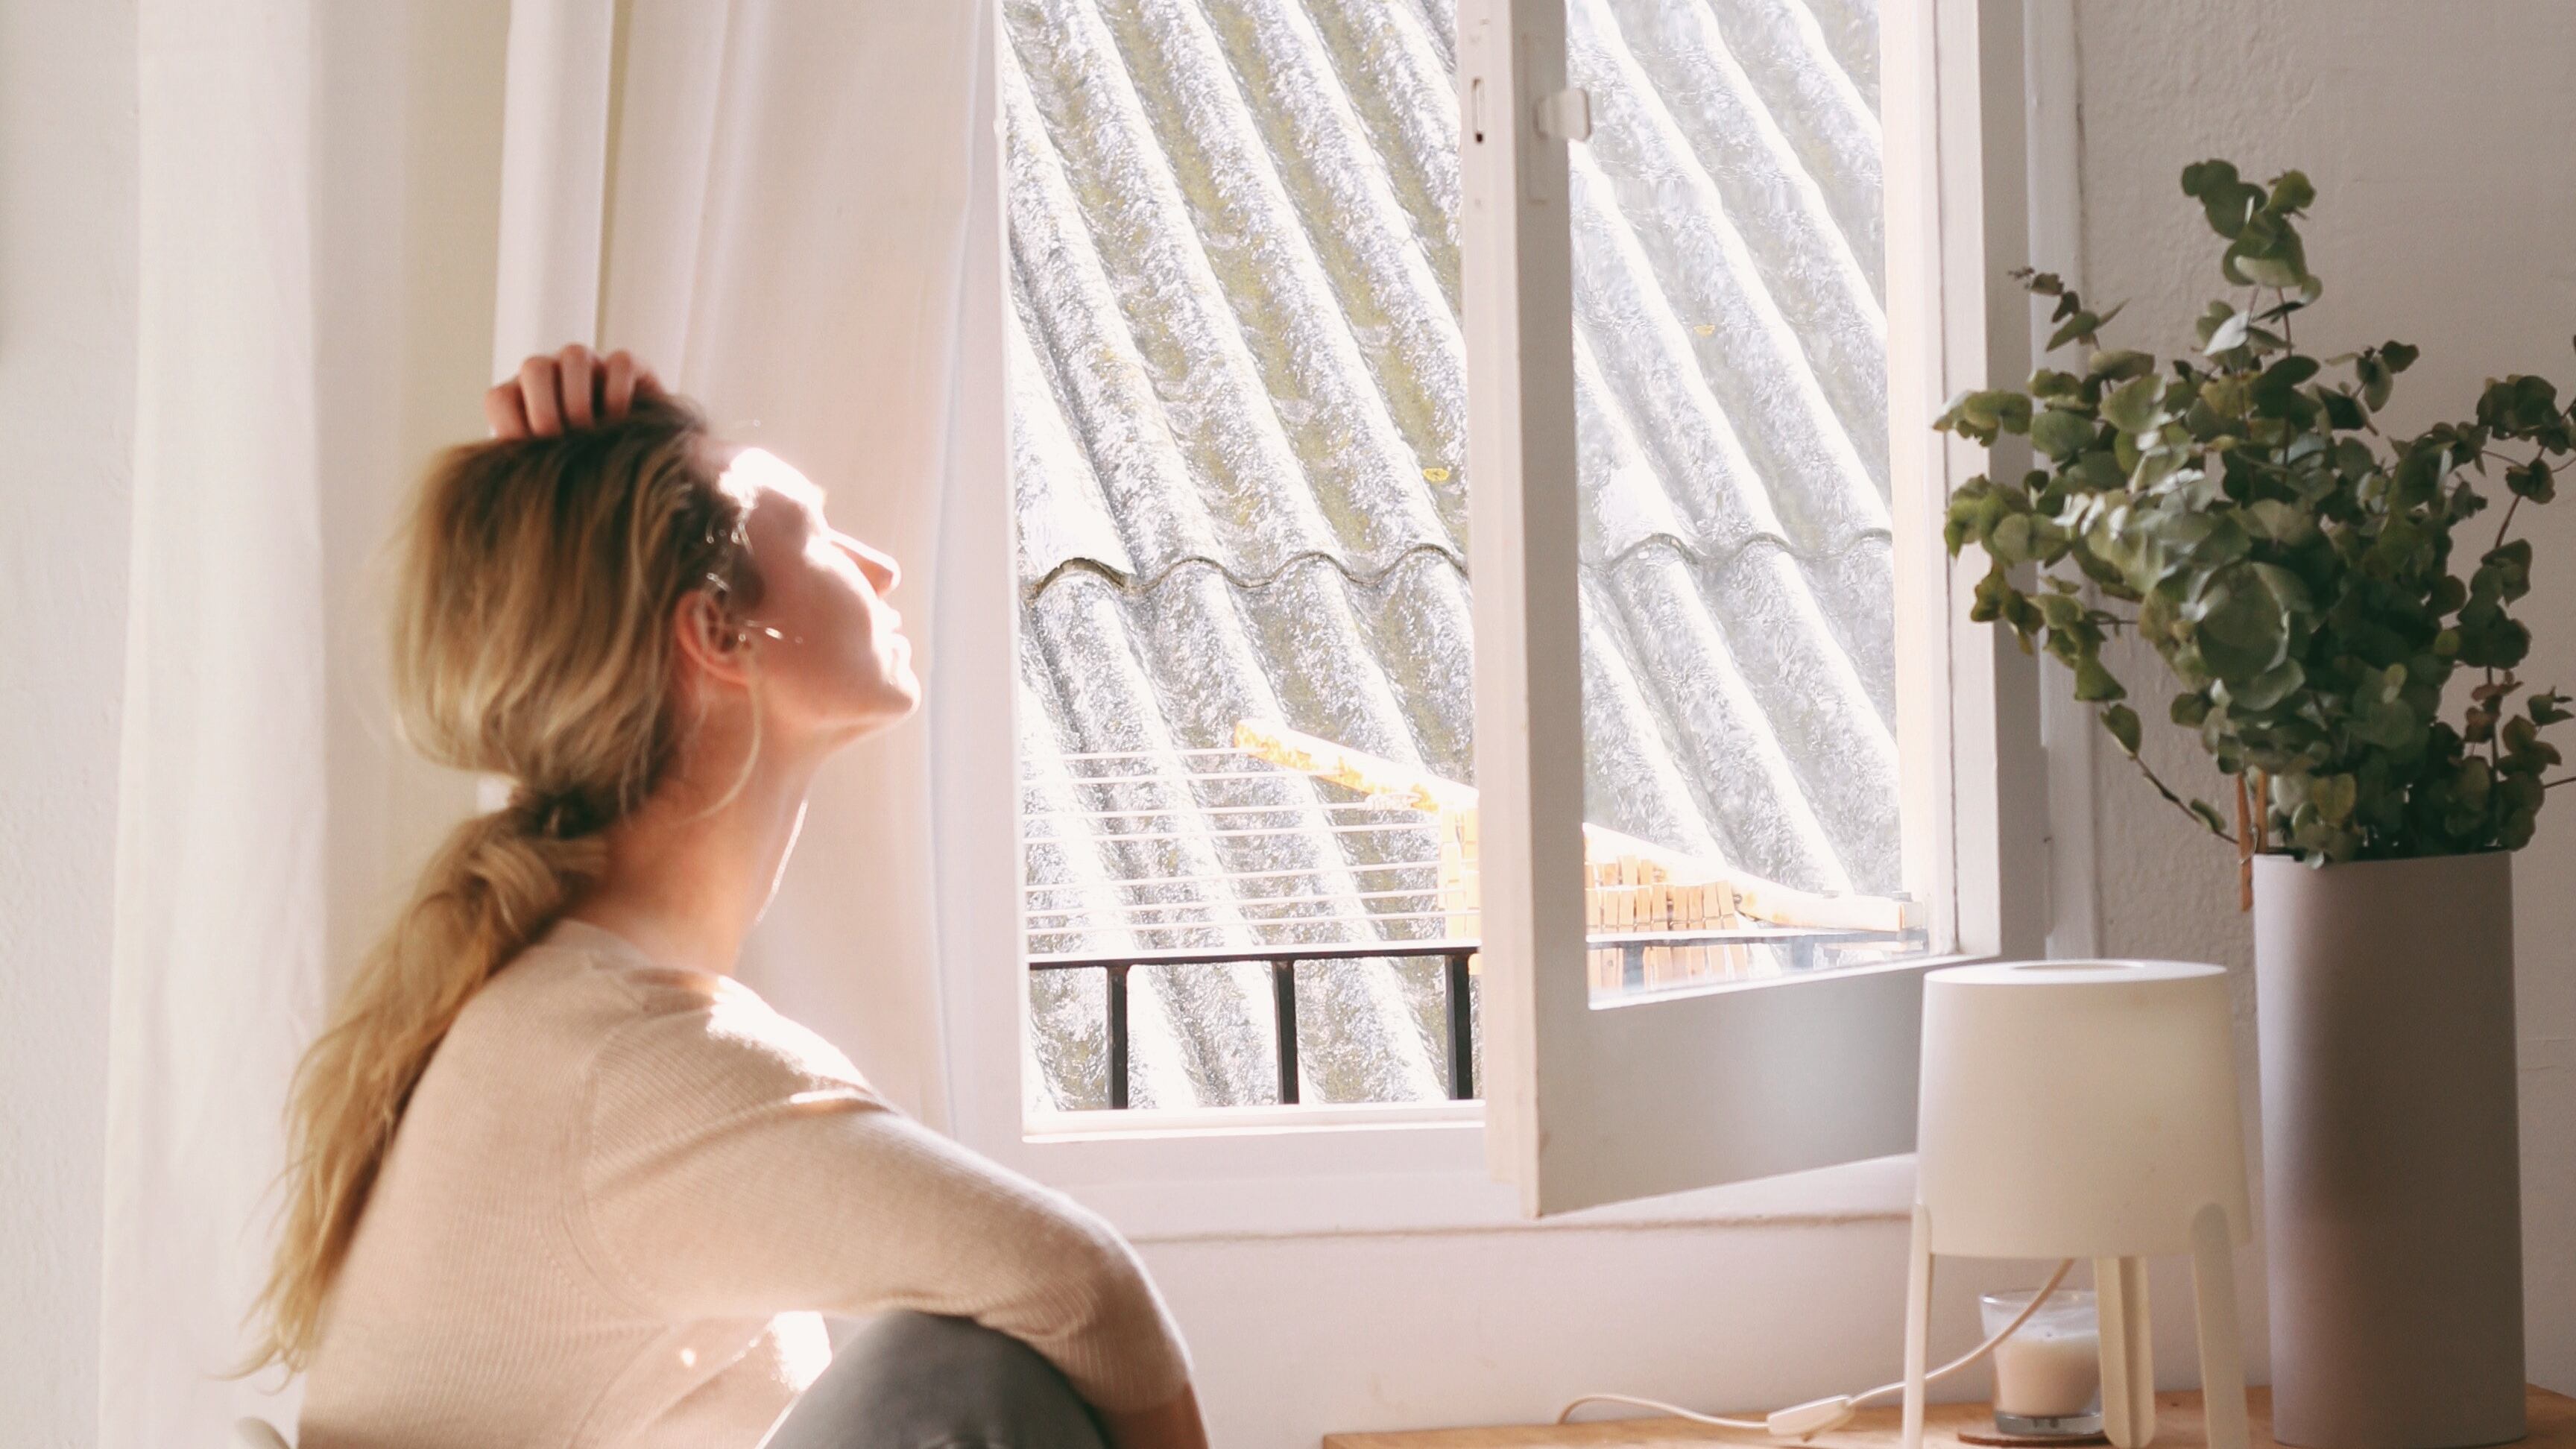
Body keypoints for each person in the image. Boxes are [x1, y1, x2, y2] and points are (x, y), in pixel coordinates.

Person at [245, 346, 1208, 1449]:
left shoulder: (568, 1018)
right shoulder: (623, 1061)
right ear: (715, 633)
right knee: (962, 1369)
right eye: (818, 531)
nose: (881, 566)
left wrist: (622, 474)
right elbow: (1083, 1288)